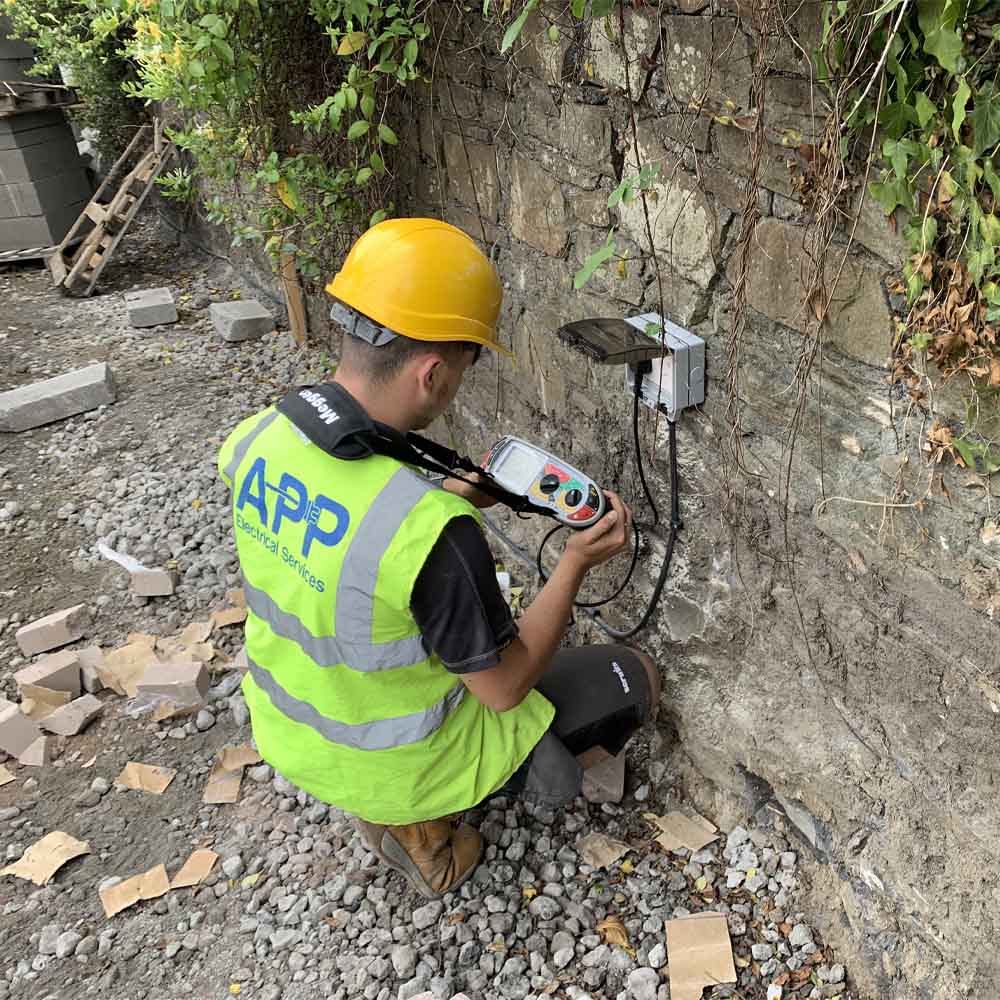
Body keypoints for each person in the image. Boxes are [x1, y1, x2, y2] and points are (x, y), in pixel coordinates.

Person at [217, 218, 661, 900]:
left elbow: (342, 550)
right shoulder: (432, 534)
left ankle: (379, 807)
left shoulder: (259, 440)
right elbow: (504, 688)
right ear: (432, 373)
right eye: (465, 368)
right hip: (400, 761)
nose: (459, 384)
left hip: (295, 732)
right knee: (634, 680)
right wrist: (575, 563)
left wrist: (446, 495)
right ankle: (421, 826)